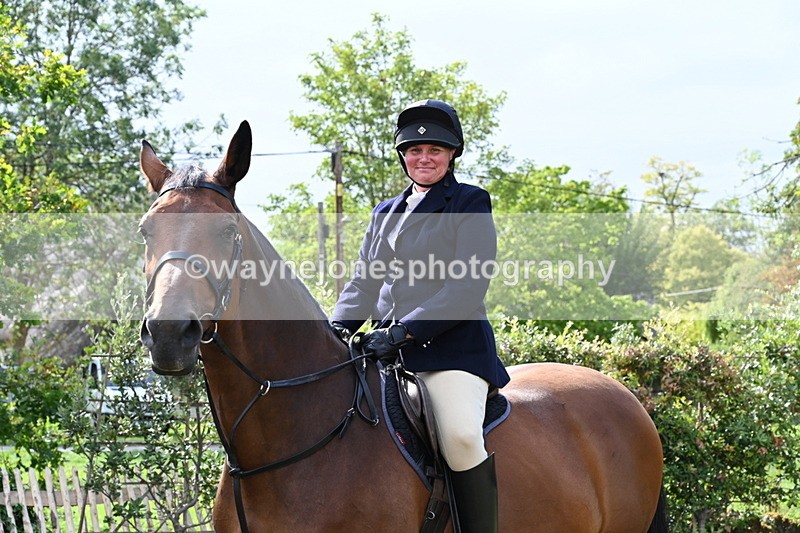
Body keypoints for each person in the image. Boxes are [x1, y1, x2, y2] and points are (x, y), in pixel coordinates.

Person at [330, 99, 510, 533]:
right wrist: (338, 329)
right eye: (414, 150)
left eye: (434, 150)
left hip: (450, 351)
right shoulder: (385, 212)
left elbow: (467, 287)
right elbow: (364, 282)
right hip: (385, 351)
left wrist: (404, 332)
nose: (423, 158)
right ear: (403, 157)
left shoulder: (468, 201)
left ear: (451, 156)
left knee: (463, 439)